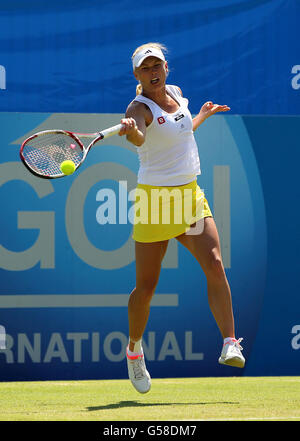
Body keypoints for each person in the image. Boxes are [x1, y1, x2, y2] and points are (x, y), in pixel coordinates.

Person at [119, 42, 245, 394]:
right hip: (155, 202)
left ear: (166, 68)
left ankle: (230, 342)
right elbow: (143, 137)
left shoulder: (175, 92)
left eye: (156, 64)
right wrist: (132, 132)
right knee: (146, 287)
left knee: (216, 264)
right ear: (137, 76)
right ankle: (133, 349)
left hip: (189, 197)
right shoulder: (137, 106)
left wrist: (201, 115)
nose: (152, 71)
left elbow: (180, 133)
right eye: (145, 68)